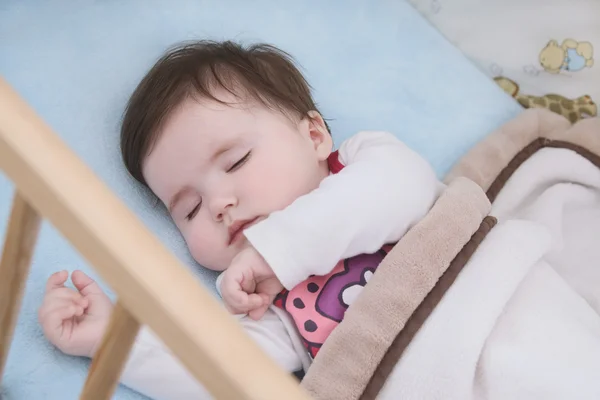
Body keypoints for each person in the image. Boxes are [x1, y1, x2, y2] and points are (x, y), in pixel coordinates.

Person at [37, 40, 442, 399]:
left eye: (236, 162)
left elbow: (405, 185)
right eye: (189, 209)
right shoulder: (269, 307)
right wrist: (112, 341)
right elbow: (218, 373)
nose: (217, 204)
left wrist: (277, 251)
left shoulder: (365, 163)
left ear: (315, 136)